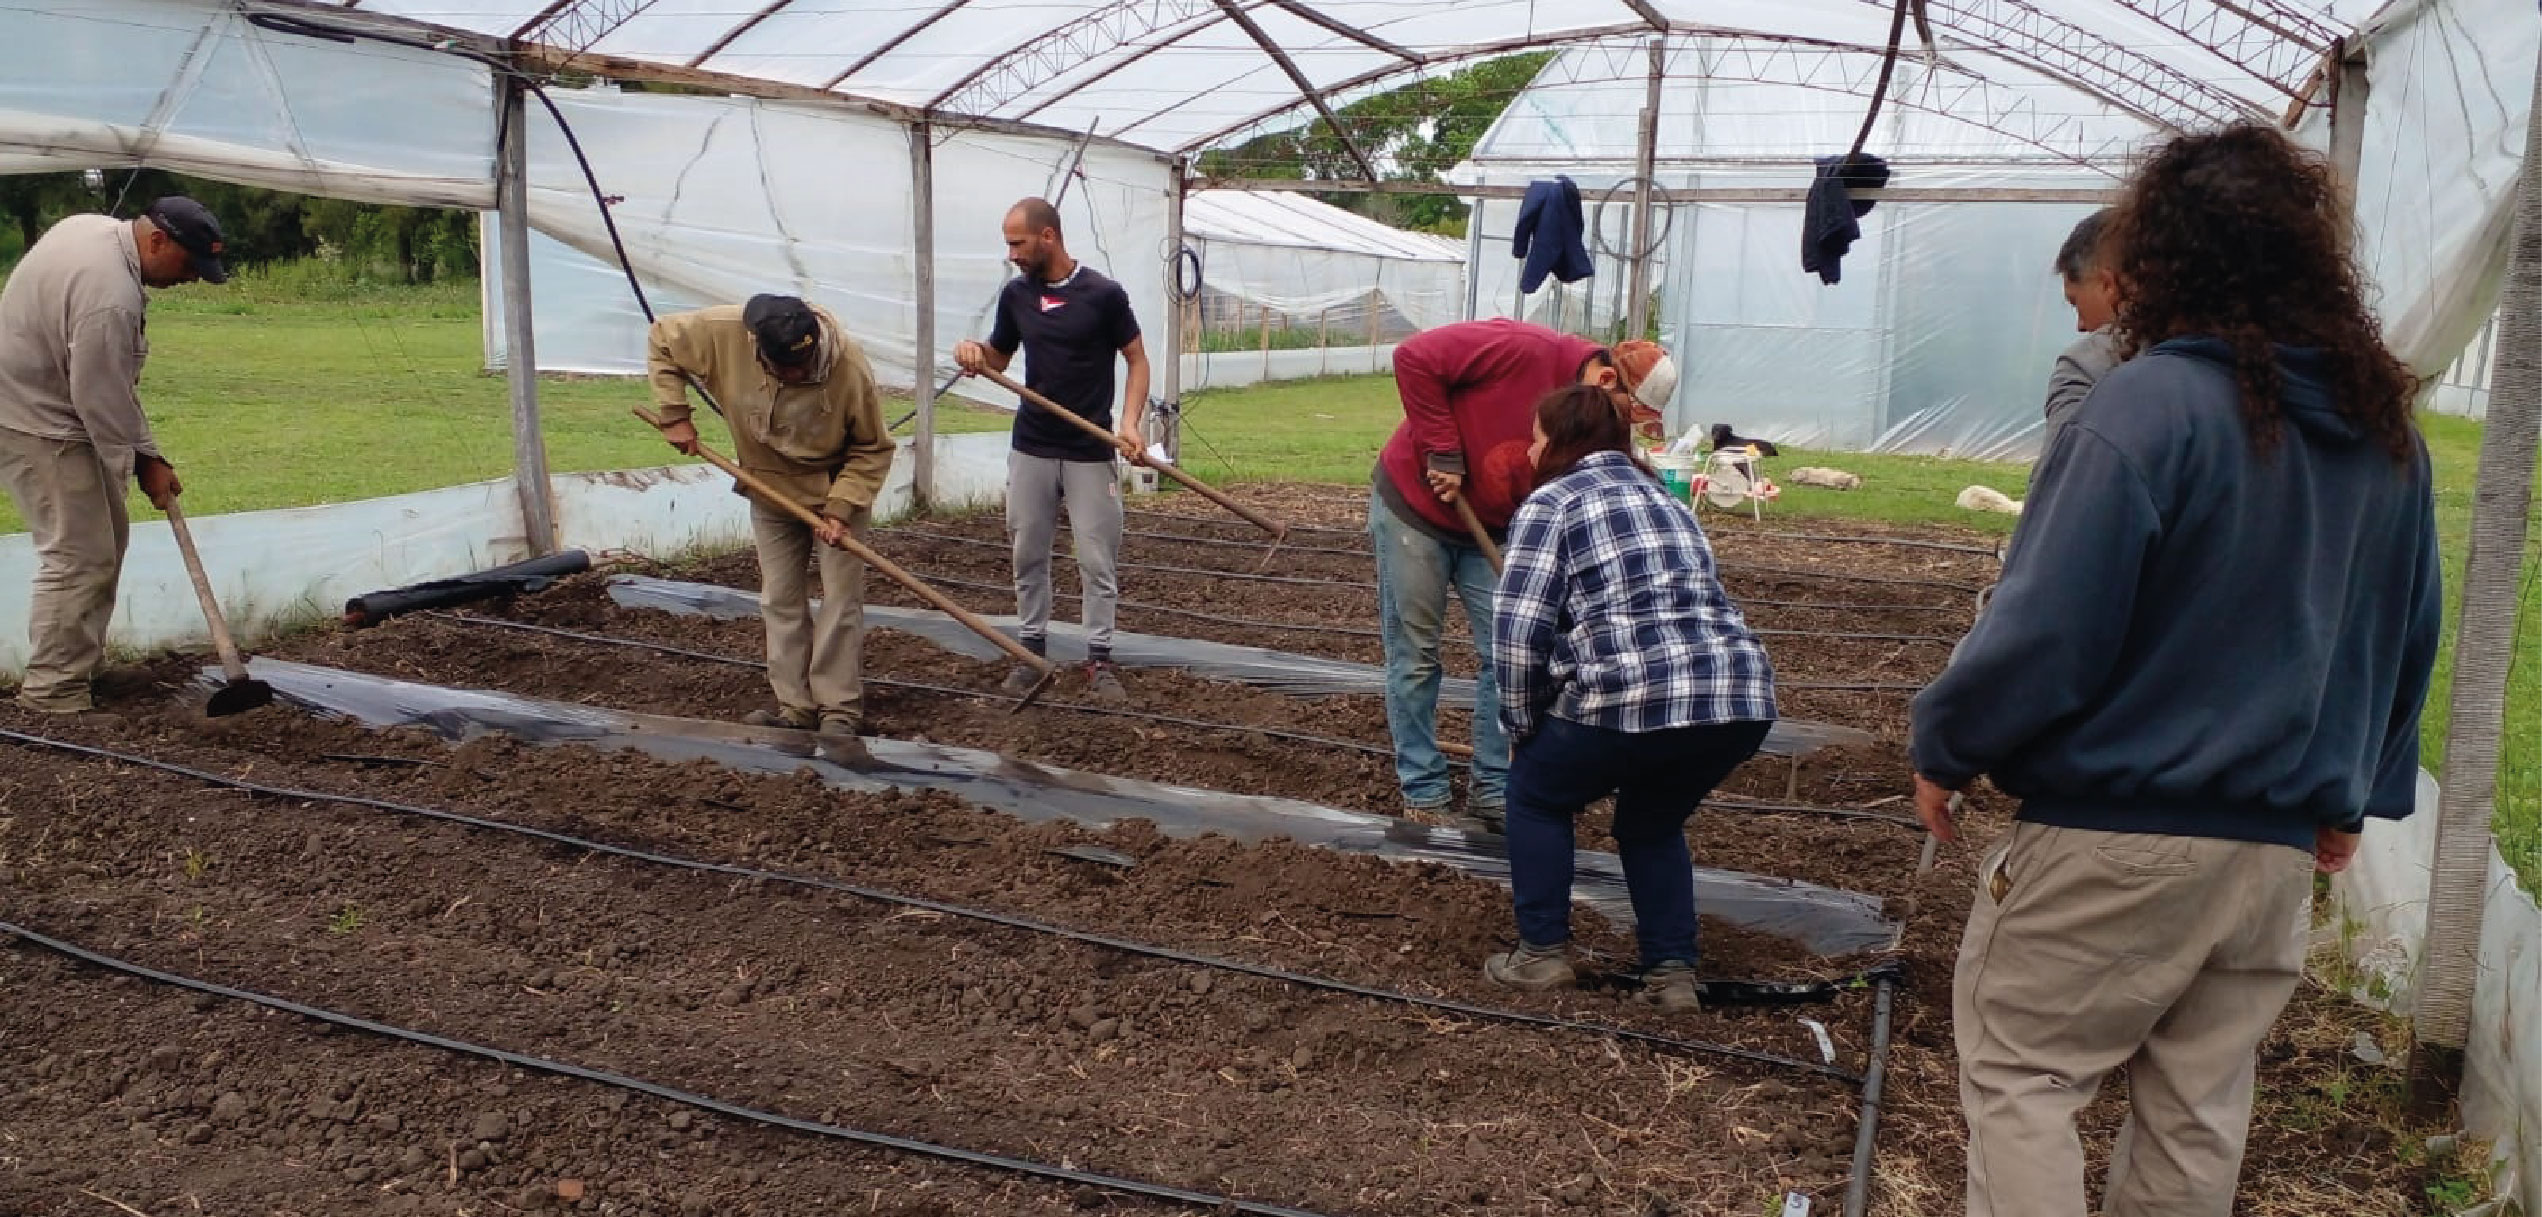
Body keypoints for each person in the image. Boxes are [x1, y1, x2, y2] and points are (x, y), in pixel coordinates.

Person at [1910, 124, 2442, 1217]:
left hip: (2116, 828)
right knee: (2198, 1104)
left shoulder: (2146, 405)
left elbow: (2047, 624)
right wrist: (2356, 789)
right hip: (2268, 855)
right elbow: (2405, 627)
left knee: (2024, 1074)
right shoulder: (2383, 432)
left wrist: (1947, 741)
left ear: (2155, 262)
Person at [1484, 384, 1775, 1011]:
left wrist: (1521, 725)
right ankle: (1671, 973)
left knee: (1536, 795)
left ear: (1560, 442)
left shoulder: (1552, 504)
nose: (1530, 452)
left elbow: (1518, 630)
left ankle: (1540, 955)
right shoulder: (1668, 502)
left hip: (1628, 695)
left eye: (1535, 439)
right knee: (1652, 821)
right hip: (1734, 695)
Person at [1371, 318, 1674, 828]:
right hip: (1415, 509)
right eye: (1627, 414)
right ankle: (1423, 792)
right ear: (1605, 383)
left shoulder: (1595, 420)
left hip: (1495, 523)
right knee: (1416, 655)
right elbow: (1414, 358)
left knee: (1508, 654)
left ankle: (1493, 789)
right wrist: (1442, 448)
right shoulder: (1522, 349)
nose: (1622, 428)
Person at [0, 197, 228, 714]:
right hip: (36, 418)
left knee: (108, 536)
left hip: (47, 398)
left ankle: (80, 663)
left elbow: (105, 388)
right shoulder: (112, 297)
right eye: (190, 265)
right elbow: (100, 396)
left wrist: (145, 453)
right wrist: (146, 462)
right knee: (79, 552)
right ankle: (53, 690)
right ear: (157, 241)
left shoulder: (93, 228)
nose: (192, 278)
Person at [648, 294, 894, 752]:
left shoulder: (849, 368)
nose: (796, 375)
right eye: (786, 368)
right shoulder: (720, 333)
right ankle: (795, 708)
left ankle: (839, 710)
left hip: (836, 488)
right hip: (768, 487)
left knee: (839, 602)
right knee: (780, 599)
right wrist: (674, 414)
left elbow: (873, 448)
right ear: (758, 348)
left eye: (803, 367)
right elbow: (662, 339)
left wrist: (840, 508)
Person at [953, 197, 1148, 707]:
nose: (1011, 254)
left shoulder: (1104, 295)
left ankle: (1100, 659)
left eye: (1017, 242)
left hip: (1089, 447)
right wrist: (976, 354)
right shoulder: (1016, 297)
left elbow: (1137, 359)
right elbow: (1000, 354)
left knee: (1096, 557)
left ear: (1048, 237)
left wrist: (1129, 423)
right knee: (1027, 551)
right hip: (1033, 445)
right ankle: (1031, 651)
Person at [2042, 208, 2122, 456]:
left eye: (2075, 302)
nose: (2081, 326)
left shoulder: (2087, 369)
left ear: (2108, 285)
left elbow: (2057, 487)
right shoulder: (2231, 361)